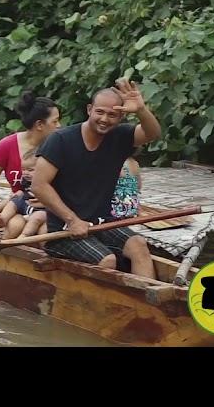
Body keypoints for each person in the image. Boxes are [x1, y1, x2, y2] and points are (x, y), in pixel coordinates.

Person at [32, 78, 161, 279]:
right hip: (64, 231)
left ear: (120, 117)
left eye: (112, 115)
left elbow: (152, 133)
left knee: (139, 246)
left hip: (102, 223)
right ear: (89, 110)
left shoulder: (120, 136)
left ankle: (148, 305)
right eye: (100, 112)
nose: (104, 119)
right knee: (107, 260)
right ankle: (113, 308)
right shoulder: (60, 140)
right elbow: (39, 186)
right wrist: (72, 220)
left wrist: (141, 109)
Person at [0, 91, 60, 237]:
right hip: (19, 204)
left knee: (44, 232)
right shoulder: (6, 146)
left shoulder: (61, 146)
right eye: (55, 121)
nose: (59, 126)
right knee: (15, 226)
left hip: (50, 209)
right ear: (39, 125)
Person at [0, 148, 47, 239]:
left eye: (30, 170)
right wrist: (19, 193)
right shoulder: (26, 179)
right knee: (13, 202)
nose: (25, 173)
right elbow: (24, 189)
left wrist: (44, 199)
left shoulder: (49, 181)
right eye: (23, 169)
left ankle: (24, 235)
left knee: (36, 218)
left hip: (41, 209)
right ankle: (3, 218)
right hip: (26, 204)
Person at [110, 154, 141, 220]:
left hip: (118, 208)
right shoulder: (135, 163)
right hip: (133, 206)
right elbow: (139, 185)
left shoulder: (116, 162)